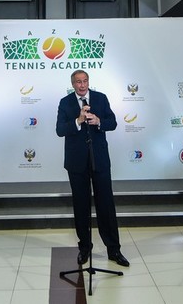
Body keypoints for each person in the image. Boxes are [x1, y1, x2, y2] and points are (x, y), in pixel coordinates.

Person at [55, 70, 128, 267]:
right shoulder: (65, 102)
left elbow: (113, 123)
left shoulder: (100, 98)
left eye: (85, 81)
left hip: (99, 160)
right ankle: (85, 248)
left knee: (106, 205)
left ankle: (114, 249)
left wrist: (99, 122)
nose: (82, 85)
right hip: (76, 162)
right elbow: (60, 130)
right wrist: (78, 121)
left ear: (88, 82)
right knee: (81, 206)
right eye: (78, 82)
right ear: (73, 84)